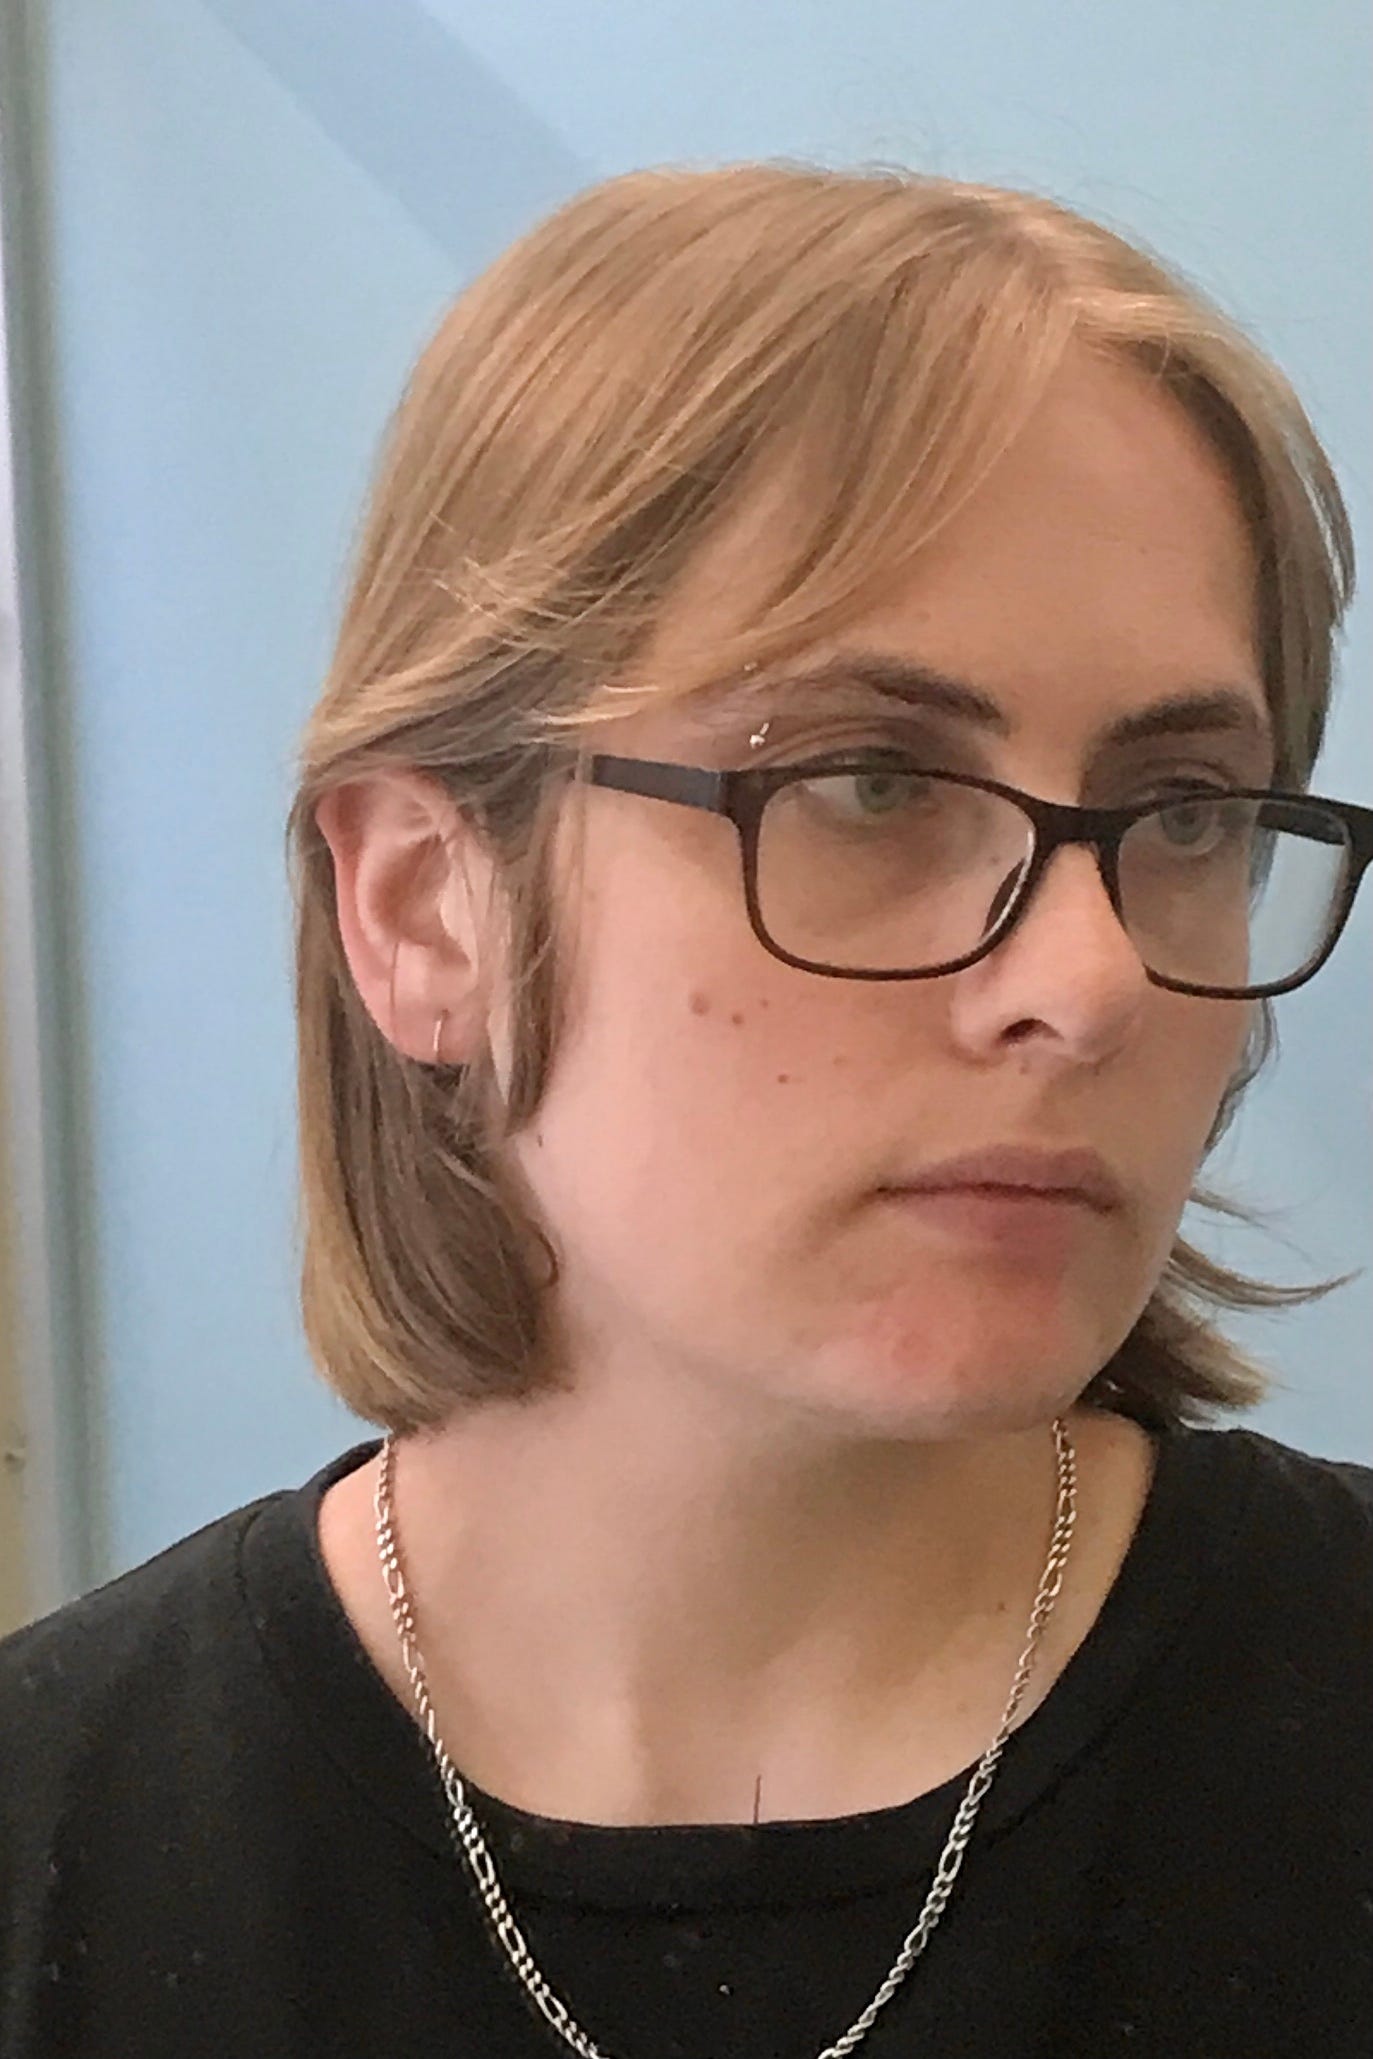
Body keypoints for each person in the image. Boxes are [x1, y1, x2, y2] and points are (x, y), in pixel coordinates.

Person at [1, 162, 1371, 2059]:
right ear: (424, 908)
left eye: (1188, 812)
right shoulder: (60, 1854)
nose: (1088, 982)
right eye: (870, 785)